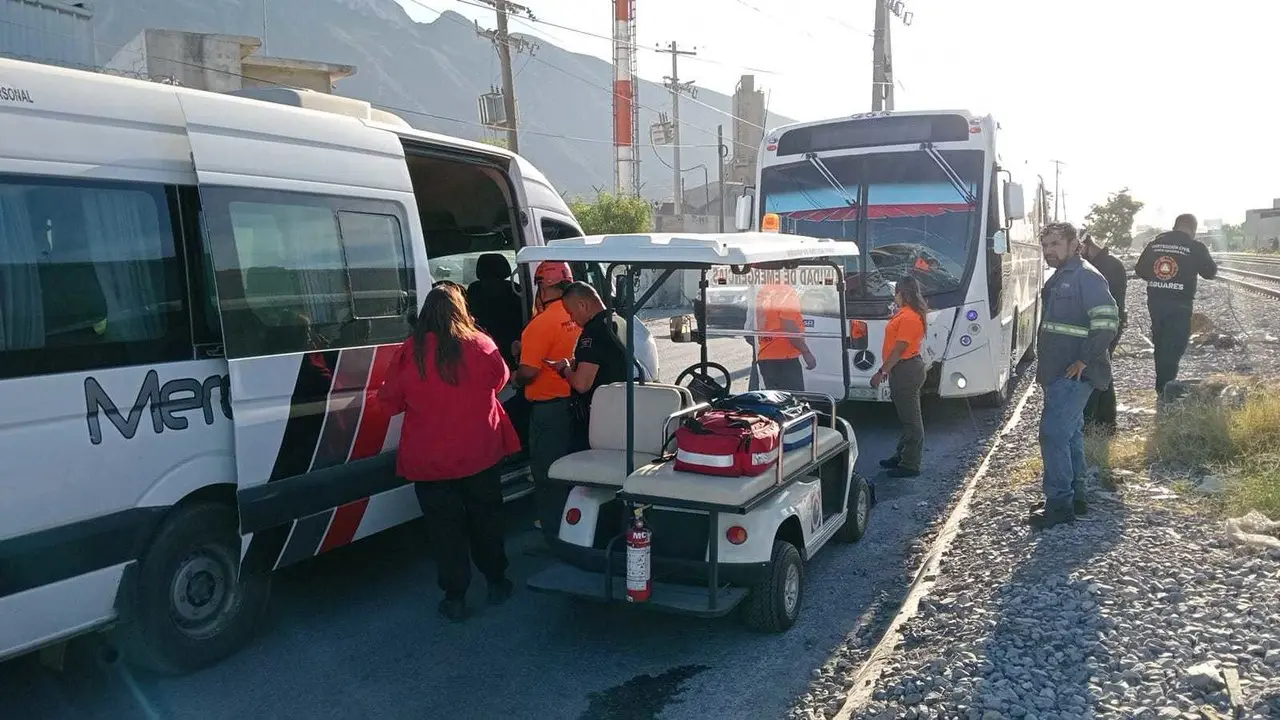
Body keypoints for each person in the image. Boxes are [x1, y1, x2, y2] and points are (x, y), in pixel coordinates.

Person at [376, 284, 519, 622]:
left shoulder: (409, 352)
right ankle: (497, 582)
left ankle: (455, 597)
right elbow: (500, 382)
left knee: (444, 530)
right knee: (486, 519)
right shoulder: (482, 345)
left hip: (429, 461)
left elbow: (389, 404)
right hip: (479, 453)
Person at [1031, 222, 1119, 530]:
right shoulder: (1061, 277)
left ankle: (1059, 505)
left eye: (1055, 244)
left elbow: (1108, 321)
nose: (1049, 251)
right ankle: (1076, 497)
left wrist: (1085, 358)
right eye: (1045, 246)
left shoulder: (1086, 277)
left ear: (1073, 244)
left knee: (1053, 434)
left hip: (1074, 372)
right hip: (1058, 372)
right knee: (1069, 434)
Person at [513, 261, 582, 541]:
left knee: (546, 471)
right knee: (571, 466)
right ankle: (573, 521)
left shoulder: (540, 324)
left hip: (548, 408)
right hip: (576, 404)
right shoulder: (576, 314)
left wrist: (513, 373)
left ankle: (554, 529)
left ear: (544, 285)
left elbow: (529, 372)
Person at [1134, 214, 1218, 396]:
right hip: (1180, 304)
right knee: (1176, 345)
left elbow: (1139, 269)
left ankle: (1162, 385)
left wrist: (1160, 278)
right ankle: (1166, 388)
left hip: (1156, 302)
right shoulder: (1195, 246)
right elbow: (1210, 273)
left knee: (1161, 342)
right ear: (1193, 229)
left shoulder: (1155, 243)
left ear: (1175, 226)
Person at [546, 282, 628, 443]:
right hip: (620, 407)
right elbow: (608, 360)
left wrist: (565, 369)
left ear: (582, 305)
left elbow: (581, 384)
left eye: (571, 312)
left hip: (598, 415)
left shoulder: (593, 332)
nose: (572, 318)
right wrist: (578, 363)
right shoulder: (618, 321)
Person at [871, 275, 929, 479]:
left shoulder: (909, 317)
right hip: (903, 368)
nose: (894, 296)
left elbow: (899, 349)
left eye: (896, 292)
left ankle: (911, 464)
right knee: (907, 417)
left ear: (902, 293)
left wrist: (882, 372)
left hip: (906, 370)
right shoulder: (905, 314)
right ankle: (902, 455)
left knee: (912, 420)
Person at [1080, 233, 1129, 433]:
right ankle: (1104, 421)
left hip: (1106, 325)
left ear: (1086, 245)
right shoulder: (1106, 264)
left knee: (1097, 369)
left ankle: (1099, 421)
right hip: (1107, 324)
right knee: (1101, 368)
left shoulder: (1106, 266)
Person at [755, 269, 817, 391]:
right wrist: (806, 352)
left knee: (774, 402)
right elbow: (789, 327)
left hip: (766, 356)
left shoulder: (764, 291)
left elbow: (761, 322)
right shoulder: (786, 292)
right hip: (785, 358)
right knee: (793, 402)